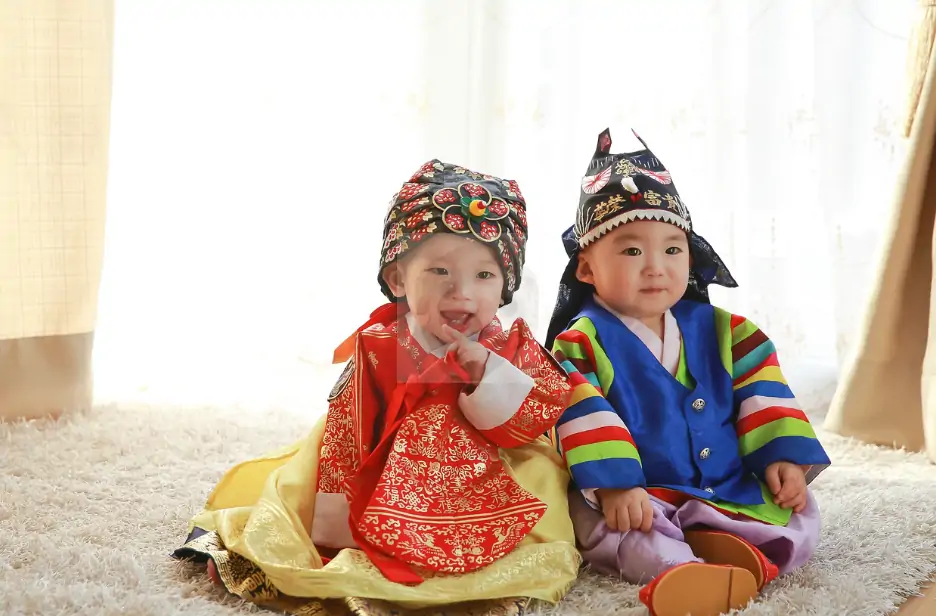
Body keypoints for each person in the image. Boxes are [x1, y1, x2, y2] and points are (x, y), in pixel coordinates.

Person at [173, 160, 581, 616]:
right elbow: (348, 430)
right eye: (440, 271)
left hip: (485, 464)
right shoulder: (380, 345)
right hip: (381, 465)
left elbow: (533, 418)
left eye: (484, 276)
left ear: (506, 285)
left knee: (544, 479)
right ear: (398, 278)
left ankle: (488, 569)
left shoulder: (505, 345)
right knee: (297, 497)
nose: (462, 292)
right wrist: (334, 531)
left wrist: (486, 372)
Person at [544, 129, 832, 616]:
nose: (656, 267)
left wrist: (781, 457)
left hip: (724, 483)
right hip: (642, 495)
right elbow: (581, 412)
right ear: (587, 270)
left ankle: (741, 554)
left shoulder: (728, 331)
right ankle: (680, 568)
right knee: (611, 529)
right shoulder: (581, 343)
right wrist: (616, 485)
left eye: (673, 250)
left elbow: (763, 391)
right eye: (632, 252)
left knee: (801, 516)